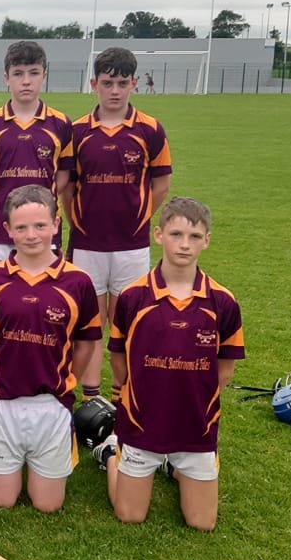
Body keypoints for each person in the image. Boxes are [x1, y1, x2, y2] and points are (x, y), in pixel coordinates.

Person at [91, 197, 244, 531]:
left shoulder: (223, 301)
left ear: (207, 240)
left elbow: (225, 369)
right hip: (142, 421)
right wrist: (134, 394)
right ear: (159, 235)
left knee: (202, 523)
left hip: (196, 425)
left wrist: (198, 402)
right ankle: (111, 452)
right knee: (130, 515)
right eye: (176, 234)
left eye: (194, 236)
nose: (184, 244)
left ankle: (173, 464)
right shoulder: (133, 296)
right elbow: (118, 357)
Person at [0, 185, 101, 512]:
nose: (31, 235)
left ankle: (108, 452)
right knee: (1, 502)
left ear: (56, 224)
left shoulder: (78, 281)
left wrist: (67, 379)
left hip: (52, 402)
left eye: (40, 225)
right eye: (21, 227)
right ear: (8, 230)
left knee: (48, 505)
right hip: (2, 400)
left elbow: (86, 342)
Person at [60, 46, 172, 403]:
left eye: (122, 83)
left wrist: (138, 218)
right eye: (107, 83)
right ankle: (91, 400)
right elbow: (68, 187)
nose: (114, 91)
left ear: (134, 84)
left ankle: (124, 396)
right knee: (90, 324)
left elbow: (161, 185)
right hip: (87, 244)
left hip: (132, 245)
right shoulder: (76, 131)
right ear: (94, 84)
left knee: (128, 323)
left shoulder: (150, 130)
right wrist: (78, 220)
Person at [0, 41, 73, 270]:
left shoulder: (61, 123)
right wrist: (2, 200)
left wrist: (42, 199)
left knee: (43, 289)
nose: (26, 81)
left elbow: (63, 174)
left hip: (44, 228)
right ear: (6, 78)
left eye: (34, 73)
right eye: (18, 74)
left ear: (44, 76)